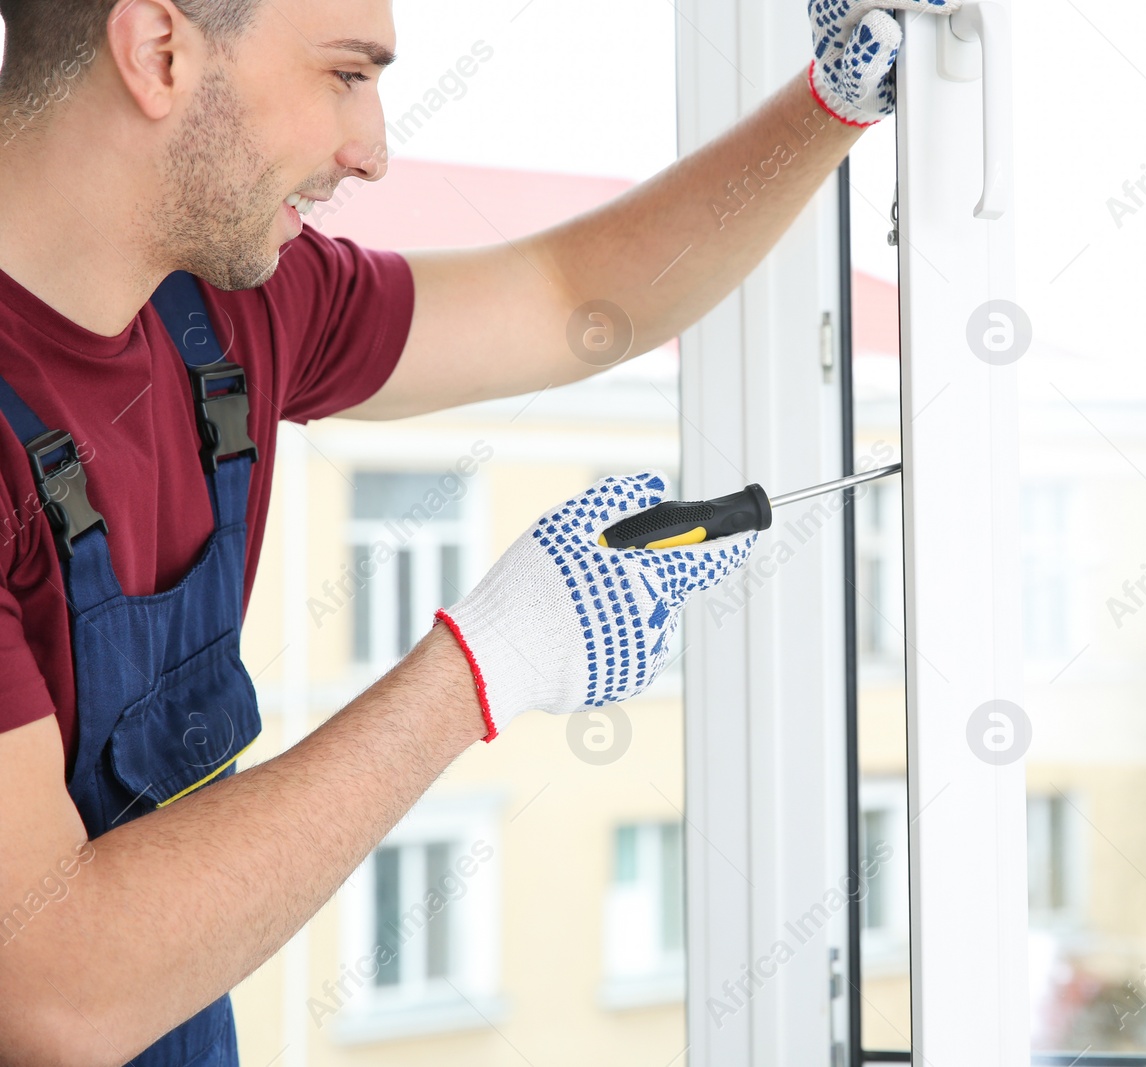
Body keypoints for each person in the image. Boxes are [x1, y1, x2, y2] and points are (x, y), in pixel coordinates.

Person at [0, 0, 953, 1063]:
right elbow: (54, 990)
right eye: (346, 76)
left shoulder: (221, 310)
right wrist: (484, 663)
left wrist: (827, 103)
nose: (372, 150)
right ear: (159, 50)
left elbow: (572, 298)